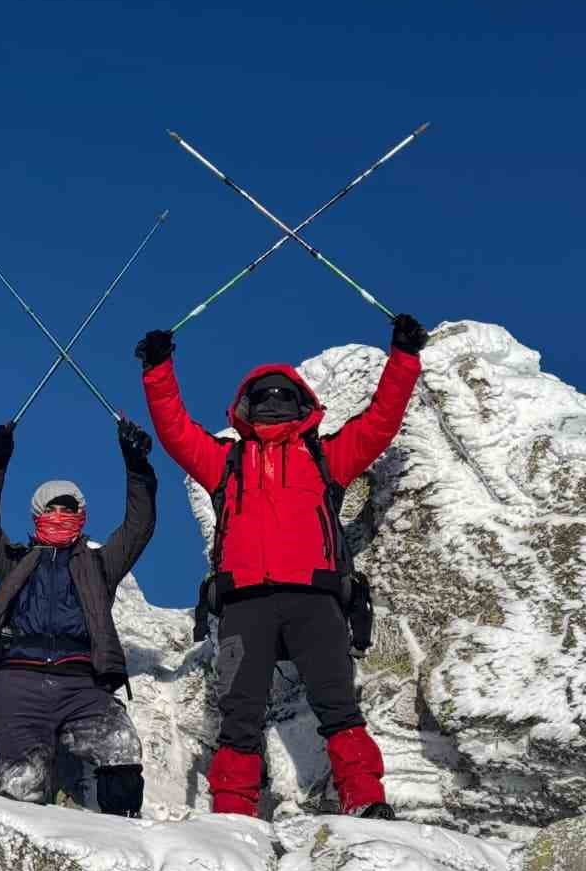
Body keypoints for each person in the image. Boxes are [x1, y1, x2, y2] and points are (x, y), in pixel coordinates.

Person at [134, 314, 428, 819]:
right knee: (238, 717)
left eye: (282, 396)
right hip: (245, 603)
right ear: (247, 408)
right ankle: (233, 813)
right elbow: (176, 432)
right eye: (264, 397)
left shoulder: (325, 458)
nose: (273, 404)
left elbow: (381, 422)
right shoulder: (225, 461)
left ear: (302, 405)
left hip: (315, 599)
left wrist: (404, 359)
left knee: (339, 707)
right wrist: (159, 370)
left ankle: (364, 798)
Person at [0, 418, 157, 815]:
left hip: (82, 686)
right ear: (37, 515)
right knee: (23, 788)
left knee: (120, 746)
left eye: (68, 509)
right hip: (20, 682)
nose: (60, 515)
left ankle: (124, 832)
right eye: (52, 509)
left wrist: (137, 466)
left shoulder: (99, 565)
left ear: (81, 516)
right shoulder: (15, 563)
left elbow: (138, 527)